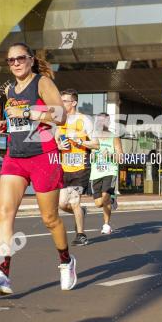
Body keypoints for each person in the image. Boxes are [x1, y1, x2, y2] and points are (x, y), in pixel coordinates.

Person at [0, 43, 76, 295]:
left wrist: (27, 111)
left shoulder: (42, 83)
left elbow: (60, 115)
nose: (15, 63)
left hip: (43, 155)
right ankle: (3, 273)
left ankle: (66, 261)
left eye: (20, 58)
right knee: (4, 212)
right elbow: (19, 119)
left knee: (49, 218)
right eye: (10, 60)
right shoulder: (9, 88)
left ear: (31, 60)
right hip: (16, 156)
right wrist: (5, 123)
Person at [57, 89, 98, 246]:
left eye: (65, 101)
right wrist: (60, 146)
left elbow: (96, 144)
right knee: (62, 204)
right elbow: (55, 143)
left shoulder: (84, 120)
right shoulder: (59, 121)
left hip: (81, 167)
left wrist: (80, 141)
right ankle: (81, 211)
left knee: (74, 201)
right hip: (64, 167)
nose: (61, 104)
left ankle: (81, 235)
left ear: (74, 102)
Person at [90, 112, 123, 235]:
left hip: (110, 171)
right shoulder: (94, 137)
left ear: (108, 122)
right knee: (99, 203)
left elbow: (121, 157)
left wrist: (110, 155)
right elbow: (92, 154)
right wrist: (92, 155)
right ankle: (112, 199)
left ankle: (106, 225)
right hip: (96, 173)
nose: (100, 123)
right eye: (98, 120)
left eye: (103, 120)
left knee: (105, 198)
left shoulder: (114, 137)